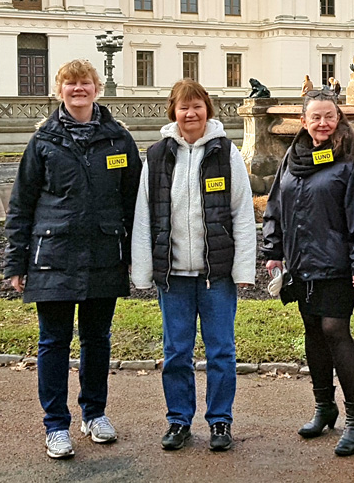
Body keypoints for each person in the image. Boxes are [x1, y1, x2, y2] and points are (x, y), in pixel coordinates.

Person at [4, 59, 142, 460]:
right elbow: (21, 205)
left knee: (97, 340)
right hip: (53, 257)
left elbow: (133, 202)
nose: (78, 90)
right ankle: (55, 425)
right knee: (53, 342)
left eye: (85, 83)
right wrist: (16, 262)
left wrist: (135, 255)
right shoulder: (43, 142)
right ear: (59, 90)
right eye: (71, 84)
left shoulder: (119, 140)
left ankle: (94, 413)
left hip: (103, 253)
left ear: (97, 88)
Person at [130, 79, 256, 453]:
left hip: (215, 275)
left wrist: (244, 269)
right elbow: (144, 215)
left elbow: (242, 212)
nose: (191, 113)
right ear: (174, 112)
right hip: (173, 276)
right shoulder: (155, 156)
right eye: (184, 107)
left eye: (197, 106)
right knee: (176, 352)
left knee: (221, 351)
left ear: (207, 110)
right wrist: (142, 270)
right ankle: (179, 420)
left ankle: (220, 421)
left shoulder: (226, 152)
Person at [262, 88, 354, 457]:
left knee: (334, 329)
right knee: (312, 327)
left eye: (330, 116)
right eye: (316, 117)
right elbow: (276, 204)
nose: (324, 123)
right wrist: (273, 248)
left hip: (338, 260)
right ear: (304, 121)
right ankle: (324, 407)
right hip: (301, 260)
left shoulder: (352, 157)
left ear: (339, 118)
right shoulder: (292, 156)